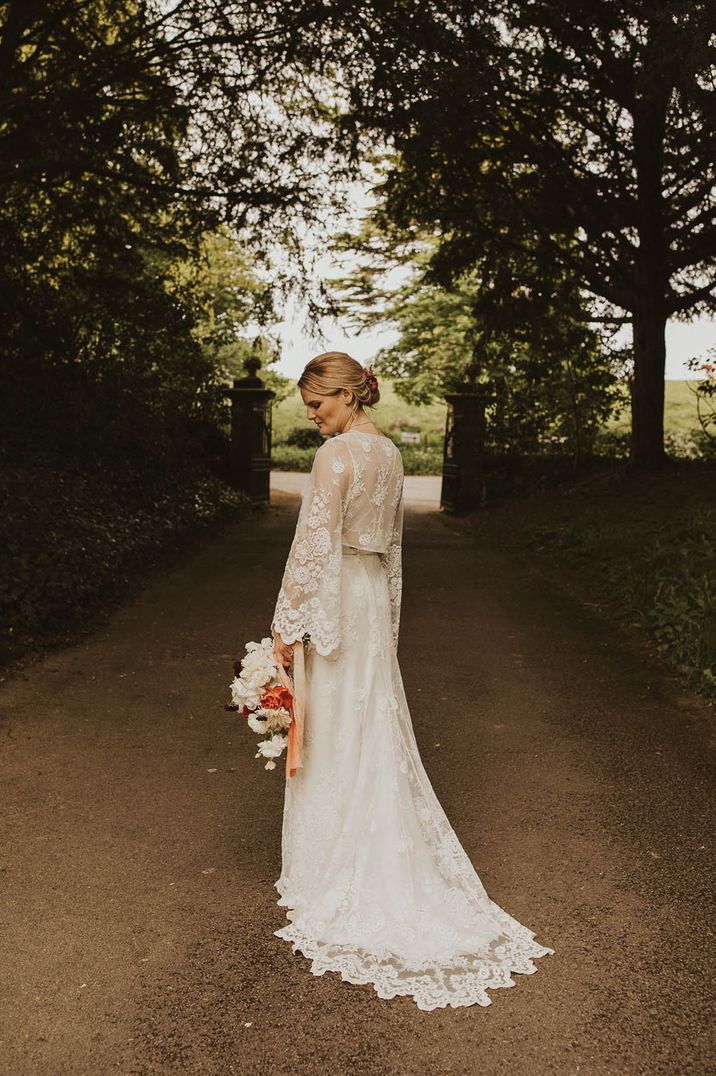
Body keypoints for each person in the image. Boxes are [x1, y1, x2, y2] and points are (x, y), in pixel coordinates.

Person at [270, 351, 554, 1011]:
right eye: (309, 406)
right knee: (366, 719)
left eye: (319, 404)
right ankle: (360, 841)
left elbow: (312, 546)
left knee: (337, 721)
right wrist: (388, 614)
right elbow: (393, 545)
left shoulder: (335, 457)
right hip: (367, 594)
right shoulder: (392, 454)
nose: (313, 417)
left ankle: (329, 870)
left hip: (338, 591)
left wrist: (285, 625)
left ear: (347, 394)